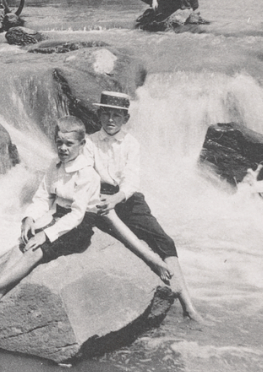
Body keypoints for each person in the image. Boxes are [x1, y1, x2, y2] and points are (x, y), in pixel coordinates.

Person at [0, 117, 99, 318]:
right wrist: (29, 218)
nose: (63, 148)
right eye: (59, 143)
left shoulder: (87, 174)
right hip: (59, 216)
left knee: (36, 249)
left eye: (69, 144)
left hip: (79, 225)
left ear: (82, 145)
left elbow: (77, 214)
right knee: (21, 245)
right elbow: (43, 196)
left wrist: (46, 235)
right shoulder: (55, 165)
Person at [86, 91, 207, 323]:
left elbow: (131, 181)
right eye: (106, 114)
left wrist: (117, 197)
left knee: (164, 241)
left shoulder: (131, 144)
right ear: (99, 115)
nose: (111, 120)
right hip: (99, 196)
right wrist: (104, 199)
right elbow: (87, 176)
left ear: (126, 119)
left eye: (117, 116)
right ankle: (153, 265)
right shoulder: (90, 142)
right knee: (122, 236)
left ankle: (188, 306)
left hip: (126, 197)